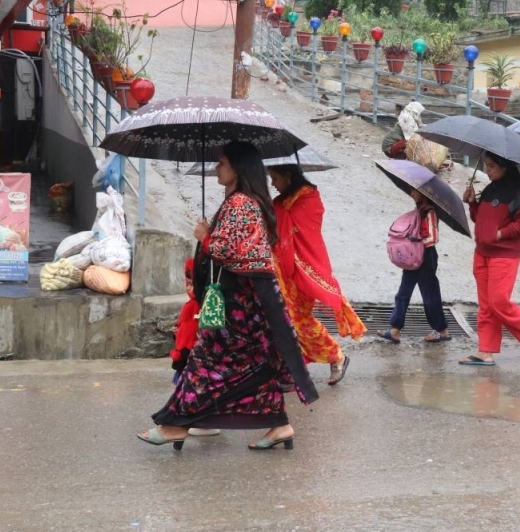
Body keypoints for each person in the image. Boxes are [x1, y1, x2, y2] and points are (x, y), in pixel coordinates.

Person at [138, 142, 318, 451]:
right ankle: (280, 425)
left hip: (239, 302)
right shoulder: (244, 201)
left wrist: (204, 237)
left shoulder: (240, 203)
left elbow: (231, 251)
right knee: (255, 363)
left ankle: (175, 425)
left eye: (221, 163)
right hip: (251, 299)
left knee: (206, 361)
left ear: (237, 167)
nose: (217, 168)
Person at [269, 164, 366, 385]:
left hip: (301, 271)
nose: (273, 184)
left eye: (275, 178)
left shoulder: (308, 199)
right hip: (281, 272)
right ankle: (292, 369)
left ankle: (335, 355)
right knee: (283, 321)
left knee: (297, 321)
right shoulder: (281, 202)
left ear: (288, 176)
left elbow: (301, 234)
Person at [460, 152, 520, 366]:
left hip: (504, 255)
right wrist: (473, 203)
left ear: (505, 166)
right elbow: (480, 219)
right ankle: (485, 351)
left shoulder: (518, 191)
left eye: (491, 166)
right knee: (485, 305)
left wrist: (500, 234)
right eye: (486, 166)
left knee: (498, 301)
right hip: (482, 252)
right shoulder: (491, 189)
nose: (487, 170)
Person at [377, 188, 451, 344]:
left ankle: (442, 331)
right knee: (403, 293)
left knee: (430, 295)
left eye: (414, 191)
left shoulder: (429, 212)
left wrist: (414, 244)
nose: (411, 194)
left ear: (424, 193)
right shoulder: (419, 210)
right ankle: (395, 330)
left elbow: (433, 238)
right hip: (414, 256)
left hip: (425, 257)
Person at [168, 258, 221, 437]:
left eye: (193, 285)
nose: (189, 289)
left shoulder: (203, 305)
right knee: (189, 390)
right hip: (185, 354)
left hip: (193, 355)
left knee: (198, 389)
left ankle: (205, 423)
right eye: (188, 284)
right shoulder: (191, 304)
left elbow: (195, 331)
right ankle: (194, 419)